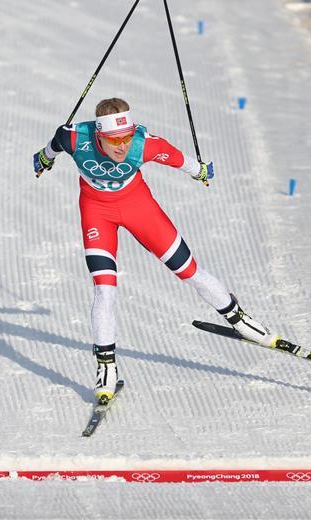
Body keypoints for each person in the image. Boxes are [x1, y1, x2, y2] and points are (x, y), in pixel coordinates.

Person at [33, 97, 278, 404]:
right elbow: (52, 147)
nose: (122, 146)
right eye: (114, 140)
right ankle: (106, 367)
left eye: (126, 137)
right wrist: (44, 159)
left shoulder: (144, 144)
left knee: (189, 271)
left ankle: (239, 320)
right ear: (98, 135)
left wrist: (201, 171)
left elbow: (183, 161)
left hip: (139, 208)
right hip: (97, 213)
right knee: (104, 290)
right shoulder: (73, 137)